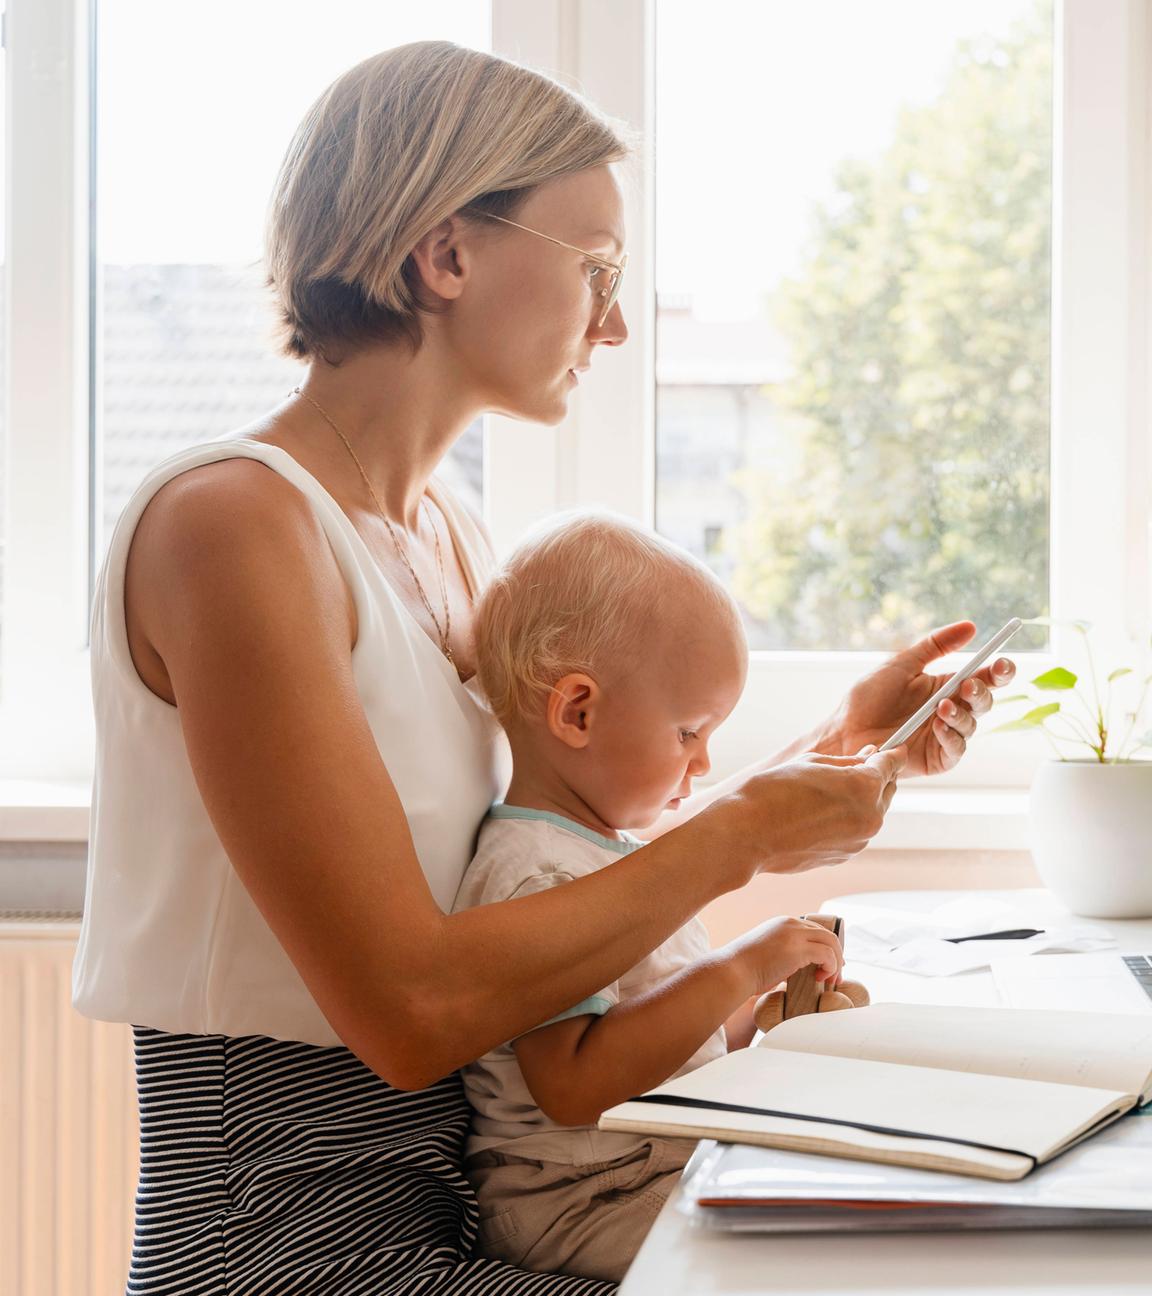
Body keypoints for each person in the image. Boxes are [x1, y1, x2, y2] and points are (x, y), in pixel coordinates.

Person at [70, 40, 1014, 1296]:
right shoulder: (229, 526)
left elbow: (562, 844)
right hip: (289, 1236)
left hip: (459, 1204)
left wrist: (835, 753)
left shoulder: (442, 535)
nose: (615, 321)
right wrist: (742, 832)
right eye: (598, 269)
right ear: (446, 253)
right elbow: (408, 1011)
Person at [454, 511, 851, 1283]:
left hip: (645, 1166)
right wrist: (736, 969)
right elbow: (574, 1085)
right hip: (578, 1199)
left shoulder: (612, 856)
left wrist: (756, 1015)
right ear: (578, 712)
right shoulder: (531, 873)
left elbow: (651, 1045)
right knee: (799, 1264)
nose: (702, 764)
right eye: (688, 733)